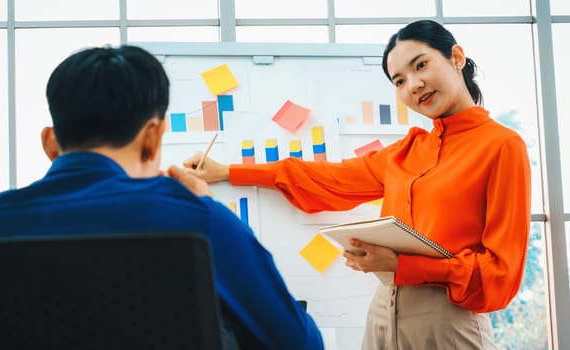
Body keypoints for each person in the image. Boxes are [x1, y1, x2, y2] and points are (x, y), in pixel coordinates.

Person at [0, 45, 324, 350]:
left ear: (49, 141)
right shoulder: (198, 222)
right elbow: (298, 344)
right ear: (153, 137)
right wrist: (204, 205)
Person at [184, 19, 531, 349]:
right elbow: (324, 178)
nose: (413, 85)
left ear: (456, 57)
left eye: (420, 66)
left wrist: (402, 265)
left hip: (449, 324)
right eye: (399, 80)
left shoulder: (501, 146)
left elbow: (500, 274)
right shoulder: (406, 153)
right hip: (381, 316)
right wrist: (227, 172)